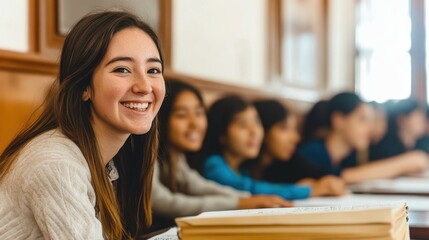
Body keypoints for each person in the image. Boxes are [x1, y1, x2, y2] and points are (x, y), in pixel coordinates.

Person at [0, 11, 165, 239]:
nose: (145, 86)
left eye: (153, 70)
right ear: (84, 87)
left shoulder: (105, 162)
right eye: (122, 69)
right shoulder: (57, 165)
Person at [151, 80, 292, 230]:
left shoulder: (177, 159)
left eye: (199, 113)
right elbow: (164, 201)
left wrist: (247, 199)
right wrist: (240, 202)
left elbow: (199, 185)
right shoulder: (151, 156)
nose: (195, 124)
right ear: (162, 117)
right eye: (182, 115)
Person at [297, 93, 428, 183]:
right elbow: (340, 177)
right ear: (338, 120)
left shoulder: (349, 157)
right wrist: (405, 162)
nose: (370, 128)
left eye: (371, 121)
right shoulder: (310, 154)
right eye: (362, 120)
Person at [202, 96, 314, 200]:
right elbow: (251, 189)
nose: (254, 132)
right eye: (243, 125)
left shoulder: (242, 170)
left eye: (256, 122)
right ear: (222, 135)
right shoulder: (213, 165)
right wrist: (306, 190)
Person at [248, 99, 346, 196]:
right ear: (262, 129)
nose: (296, 138)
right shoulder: (242, 170)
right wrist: (303, 190)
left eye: (294, 129)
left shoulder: (290, 162)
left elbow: (331, 178)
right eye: (284, 129)